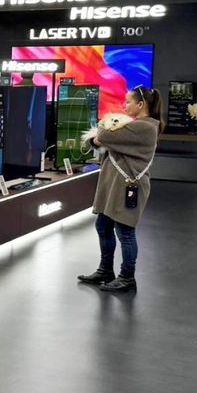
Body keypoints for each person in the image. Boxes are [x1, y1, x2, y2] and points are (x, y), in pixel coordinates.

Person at [78, 84, 162, 294]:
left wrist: (104, 127)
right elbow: (102, 138)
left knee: (125, 231)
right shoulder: (134, 126)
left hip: (127, 187)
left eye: (128, 102)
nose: (124, 106)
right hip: (115, 185)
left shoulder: (144, 127)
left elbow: (104, 134)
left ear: (141, 105)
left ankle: (127, 277)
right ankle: (105, 270)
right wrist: (102, 134)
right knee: (103, 226)